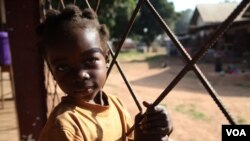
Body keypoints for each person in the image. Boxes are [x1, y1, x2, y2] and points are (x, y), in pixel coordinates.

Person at [36, 4, 173, 141]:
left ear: (106, 59)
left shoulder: (116, 104)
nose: (80, 75)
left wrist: (155, 128)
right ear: (53, 73)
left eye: (90, 60)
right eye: (62, 67)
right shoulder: (63, 128)